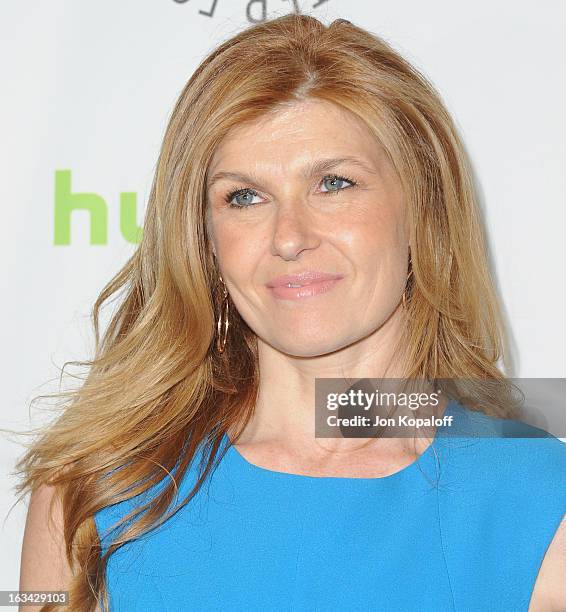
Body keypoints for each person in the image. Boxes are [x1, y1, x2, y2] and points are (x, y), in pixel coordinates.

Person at [16, 13, 565, 612]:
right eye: (244, 197)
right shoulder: (100, 489)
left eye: (334, 183)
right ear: (202, 238)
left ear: (423, 208)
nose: (289, 236)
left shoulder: (537, 504)